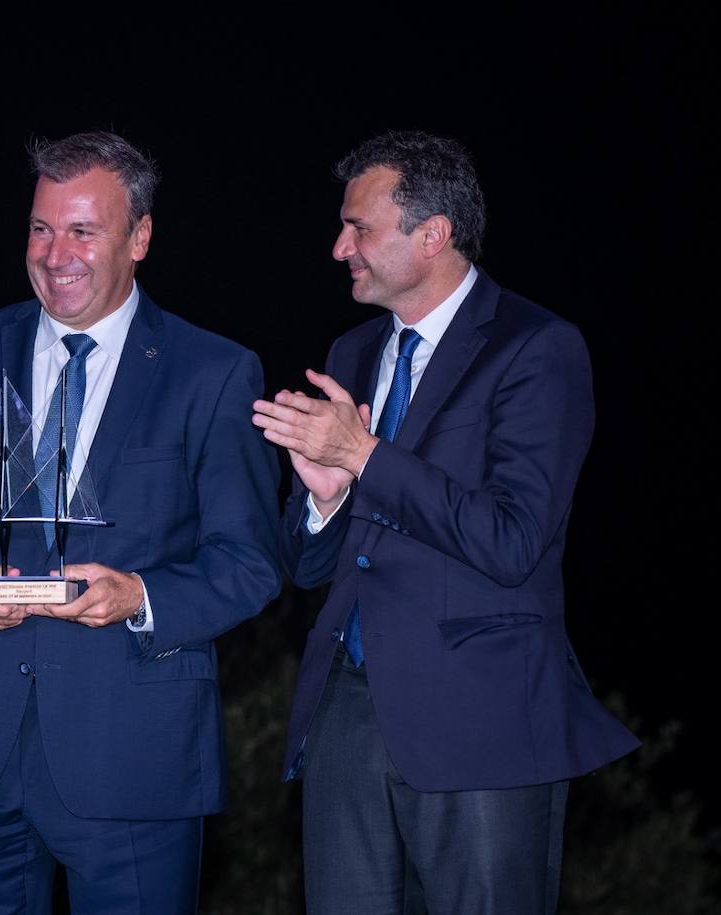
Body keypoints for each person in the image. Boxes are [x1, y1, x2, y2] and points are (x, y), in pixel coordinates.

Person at [0, 131, 280, 913]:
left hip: (133, 760)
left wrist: (141, 596)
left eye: (83, 230)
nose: (55, 253)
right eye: (40, 227)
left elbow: (250, 560)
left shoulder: (214, 371)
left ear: (141, 236)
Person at [252, 130, 638, 914]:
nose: (339, 247)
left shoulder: (537, 349)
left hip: (482, 722)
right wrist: (325, 500)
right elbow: (313, 567)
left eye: (359, 227)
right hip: (349, 717)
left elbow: (512, 540)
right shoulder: (353, 351)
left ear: (432, 235)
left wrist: (366, 458)